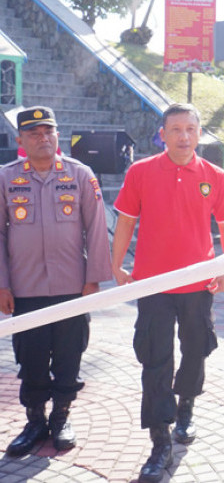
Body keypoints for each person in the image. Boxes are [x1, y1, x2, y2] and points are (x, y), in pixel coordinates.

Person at [111, 103, 224, 483]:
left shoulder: (215, 176)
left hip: (199, 284)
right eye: (176, 129)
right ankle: (159, 441)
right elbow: (126, 223)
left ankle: (186, 406)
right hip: (153, 286)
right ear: (162, 135)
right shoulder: (141, 172)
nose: (184, 136)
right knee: (155, 360)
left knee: (196, 351)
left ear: (199, 134)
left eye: (190, 129)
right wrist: (116, 264)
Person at [0, 106, 111, 456]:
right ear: (20, 140)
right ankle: (35, 419)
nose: (43, 138)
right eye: (34, 133)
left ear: (58, 136)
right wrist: (2, 283)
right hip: (25, 287)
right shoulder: (6, 178)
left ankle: (62, 417)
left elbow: (96, 230)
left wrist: (93, 280)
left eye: (49, 131)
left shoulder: (80, 175)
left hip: (72, 288)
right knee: (30, 356)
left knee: (68, 354)